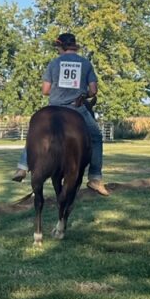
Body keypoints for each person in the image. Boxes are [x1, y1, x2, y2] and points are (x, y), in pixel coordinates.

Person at [12, 33, 109, 196]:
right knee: (96, 138)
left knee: (34, 133)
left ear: (62, 46)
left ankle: (22, 167)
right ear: (73, 46)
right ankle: (95, 178)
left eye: (57, 47)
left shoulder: (54, 63)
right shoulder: (85, 63)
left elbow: (45, 90)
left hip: (54, 107)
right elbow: (93, 90)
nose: (57, 50)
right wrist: (82, 92)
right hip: (76, 108)